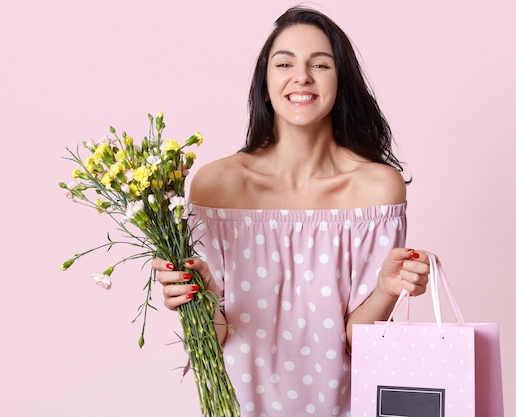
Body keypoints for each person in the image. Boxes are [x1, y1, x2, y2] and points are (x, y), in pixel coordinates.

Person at [152, 6, 431, 416]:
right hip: (237, 406)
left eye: (320, 64)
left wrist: (388, 290)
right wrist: (202, 295)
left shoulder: (375, 189)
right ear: (266, 85)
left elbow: (357, 341)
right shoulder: (218, 185)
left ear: (341, 83)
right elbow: (214, 336)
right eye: (284, 63)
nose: (302, 77)